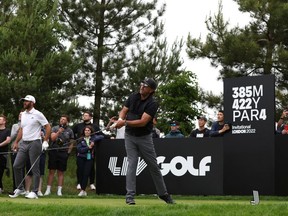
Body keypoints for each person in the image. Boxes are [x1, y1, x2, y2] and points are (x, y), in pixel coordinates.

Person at [114, 77, 174, 205]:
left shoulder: (153, 103)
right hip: (129, 136)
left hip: (144, 138)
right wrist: (120, 119)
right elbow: (124, 110)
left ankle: (163, 194)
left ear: (151, 90)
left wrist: (123, 122)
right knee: (132, 164)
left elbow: (142, 122)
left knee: (153, 166)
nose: (142, 87)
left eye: (145, 86)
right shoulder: (133, 97)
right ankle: (129, 196)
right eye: (142, 84)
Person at [9, 95, 51, 199]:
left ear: (32, 103)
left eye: (26, 101)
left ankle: (35, 191)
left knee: (34, 168)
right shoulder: (23, 114)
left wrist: (45, 141)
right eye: (24, 101)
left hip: (35, 142)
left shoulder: (38, 114)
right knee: (16, 165)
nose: (24, 102)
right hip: (24, 143)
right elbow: (22, 130)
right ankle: (20, 188)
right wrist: (16, 142)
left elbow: (48, 126)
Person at [44, 115, 74, 196]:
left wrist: (68, 153)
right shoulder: (54, 128)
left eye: (64, 119)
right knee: (51, 171)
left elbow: (71, 143)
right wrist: (58, 132)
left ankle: (59, 191)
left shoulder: (70, 130)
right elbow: (52, 138)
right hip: (54, 151)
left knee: (61, 172)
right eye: (61, 119)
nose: (62, 120)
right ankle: (48, 190)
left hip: (63, 152)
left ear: (67, 121)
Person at [73, 111, 101, 190]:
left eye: (86, 115)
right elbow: (72, 133)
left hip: (90, 153)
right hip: (81, 151)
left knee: (91, 168)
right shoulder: (78, 126)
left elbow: (101, 135)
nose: (84, 117)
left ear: (90, 117)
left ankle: (91, 183)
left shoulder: (95, 126)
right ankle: (79, 183)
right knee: (80, 168)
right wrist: (76, 140)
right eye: (83, 115)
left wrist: (110, 137)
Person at [77, 125, 104, 196]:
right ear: (83, 131)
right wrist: (88, 147)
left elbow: (101, 137)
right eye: (86, 130)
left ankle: (83, 190)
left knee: (86, 174)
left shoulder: (93, 138)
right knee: (81, 173)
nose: (87, 131)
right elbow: (80, 150)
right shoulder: (80, 139)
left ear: (91, 132)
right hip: (81, 158)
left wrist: (94, 138)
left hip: (89, 158)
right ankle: (82, 188)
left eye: (88, 130)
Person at [0, 114, 11, 194]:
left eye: (0, 119)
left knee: (0, 171)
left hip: (3, 154)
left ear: (4, 121)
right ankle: (1, 188)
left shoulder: (7, 130)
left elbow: (8, 140)